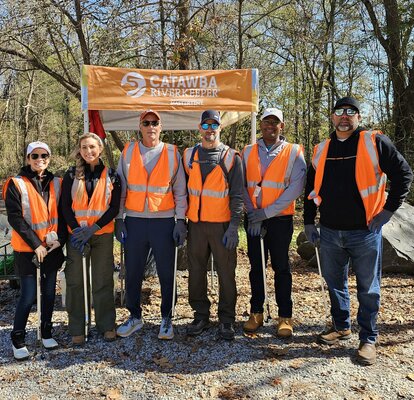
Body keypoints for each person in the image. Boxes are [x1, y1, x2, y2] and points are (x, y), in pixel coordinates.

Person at [304, 96, 413, 365]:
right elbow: (310, 186)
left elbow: (404, 175)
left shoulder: (373, 142)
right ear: (332, 117)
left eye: (350, 112)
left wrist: (387, 212)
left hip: (364, 232)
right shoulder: (321, 149)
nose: (344, 116)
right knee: (335, 282)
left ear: (358, 117)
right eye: (339, 111)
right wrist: (309, 221)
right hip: (329, 231)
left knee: (368, 289)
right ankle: (341, 326)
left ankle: (368, 339)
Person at [115, 110, 187, 340]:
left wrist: (181, 221)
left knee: (167, 273)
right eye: (146, 123)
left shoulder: (172, 152)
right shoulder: (128, 151)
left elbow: (180, 191)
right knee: (133, 272)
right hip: (134, 221)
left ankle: (167, 318)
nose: (151, 126)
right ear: (140, 126)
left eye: (154, 123)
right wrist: (119, 219)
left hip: (163, 222)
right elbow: (120, 188)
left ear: (161, 126)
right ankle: (135, 316)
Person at [242, 108, 306, 337]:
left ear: (282, 126)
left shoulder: (294, 152)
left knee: (281, 268)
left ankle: (285, 316)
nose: (270, 125)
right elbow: (242, 184)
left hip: (279, 220)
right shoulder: (247, 151)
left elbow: (295, 188)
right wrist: (252, 213)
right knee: (256, 268)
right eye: (266, 121)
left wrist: (265, 213)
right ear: (260, 125)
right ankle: (256, 311)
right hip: (253, 219)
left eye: (275, 122)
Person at [183, 110, 244, 341]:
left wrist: (233, 226)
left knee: (226, 274)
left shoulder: (231, 157)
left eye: (214, 126)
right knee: (196, 272)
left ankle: (227, 320)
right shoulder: (188, 156)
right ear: (200, 128)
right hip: (196, 226)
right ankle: (200, 315)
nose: (210, 130)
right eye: (206, 126)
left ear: (220, 128)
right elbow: (182, 190)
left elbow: (237, 195)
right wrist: (182, 222)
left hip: (222, 227)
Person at [3, 141, 66, 360]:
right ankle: (18, 338)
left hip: (53, 247)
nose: (40, 159)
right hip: (27, 249)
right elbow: (15, 218)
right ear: (28, 158)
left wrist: (60, 241)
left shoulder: (57, 182)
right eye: (35, 156)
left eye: (45, 155)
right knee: (28, 295)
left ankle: (46, 332)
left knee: (49, 293)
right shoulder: (15, 183)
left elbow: (64, 214)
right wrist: (36, 245)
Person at [61, 133, 121, 345]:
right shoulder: (71, 175)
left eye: (92, 147)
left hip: (102, 235)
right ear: (80, 150)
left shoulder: (112, 175)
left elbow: (114, 207)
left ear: (100, 148)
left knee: (103, 280)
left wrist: (94, 227)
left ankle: (106, 325)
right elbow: (65, 206)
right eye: (84, 147)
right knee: (76, 280)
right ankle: (77, 326)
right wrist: (78, 231)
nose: (88, 151)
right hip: (77, 237)